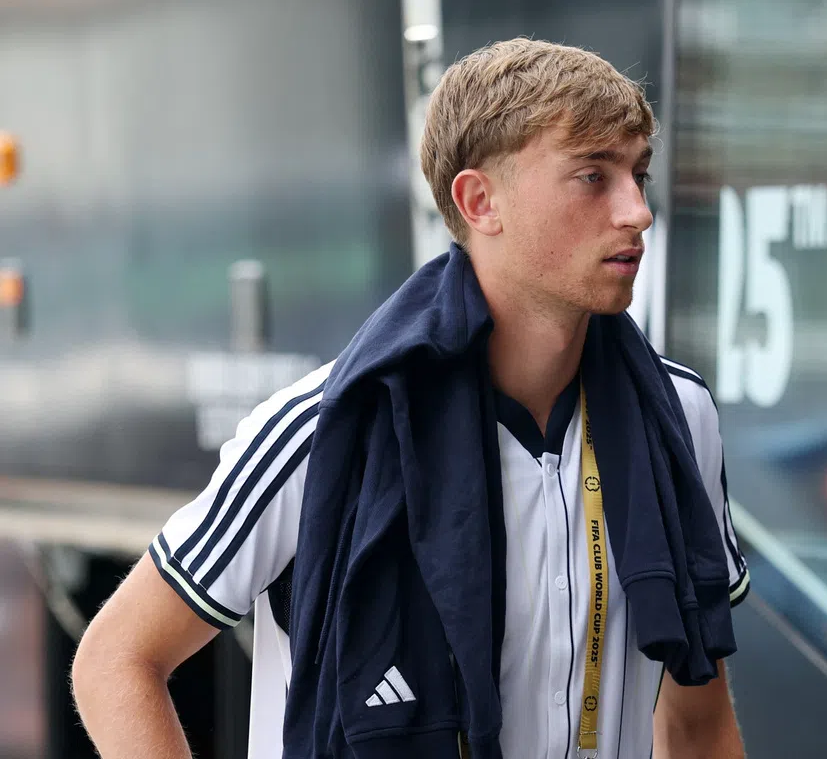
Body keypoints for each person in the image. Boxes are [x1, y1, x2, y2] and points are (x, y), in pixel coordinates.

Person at [71, 38, 750, 759]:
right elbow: (117, 659)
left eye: (638, 174)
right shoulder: (324, 427)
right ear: (479, 201)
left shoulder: (678, 416)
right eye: (592, 176)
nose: (638, 211)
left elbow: (695, 715)